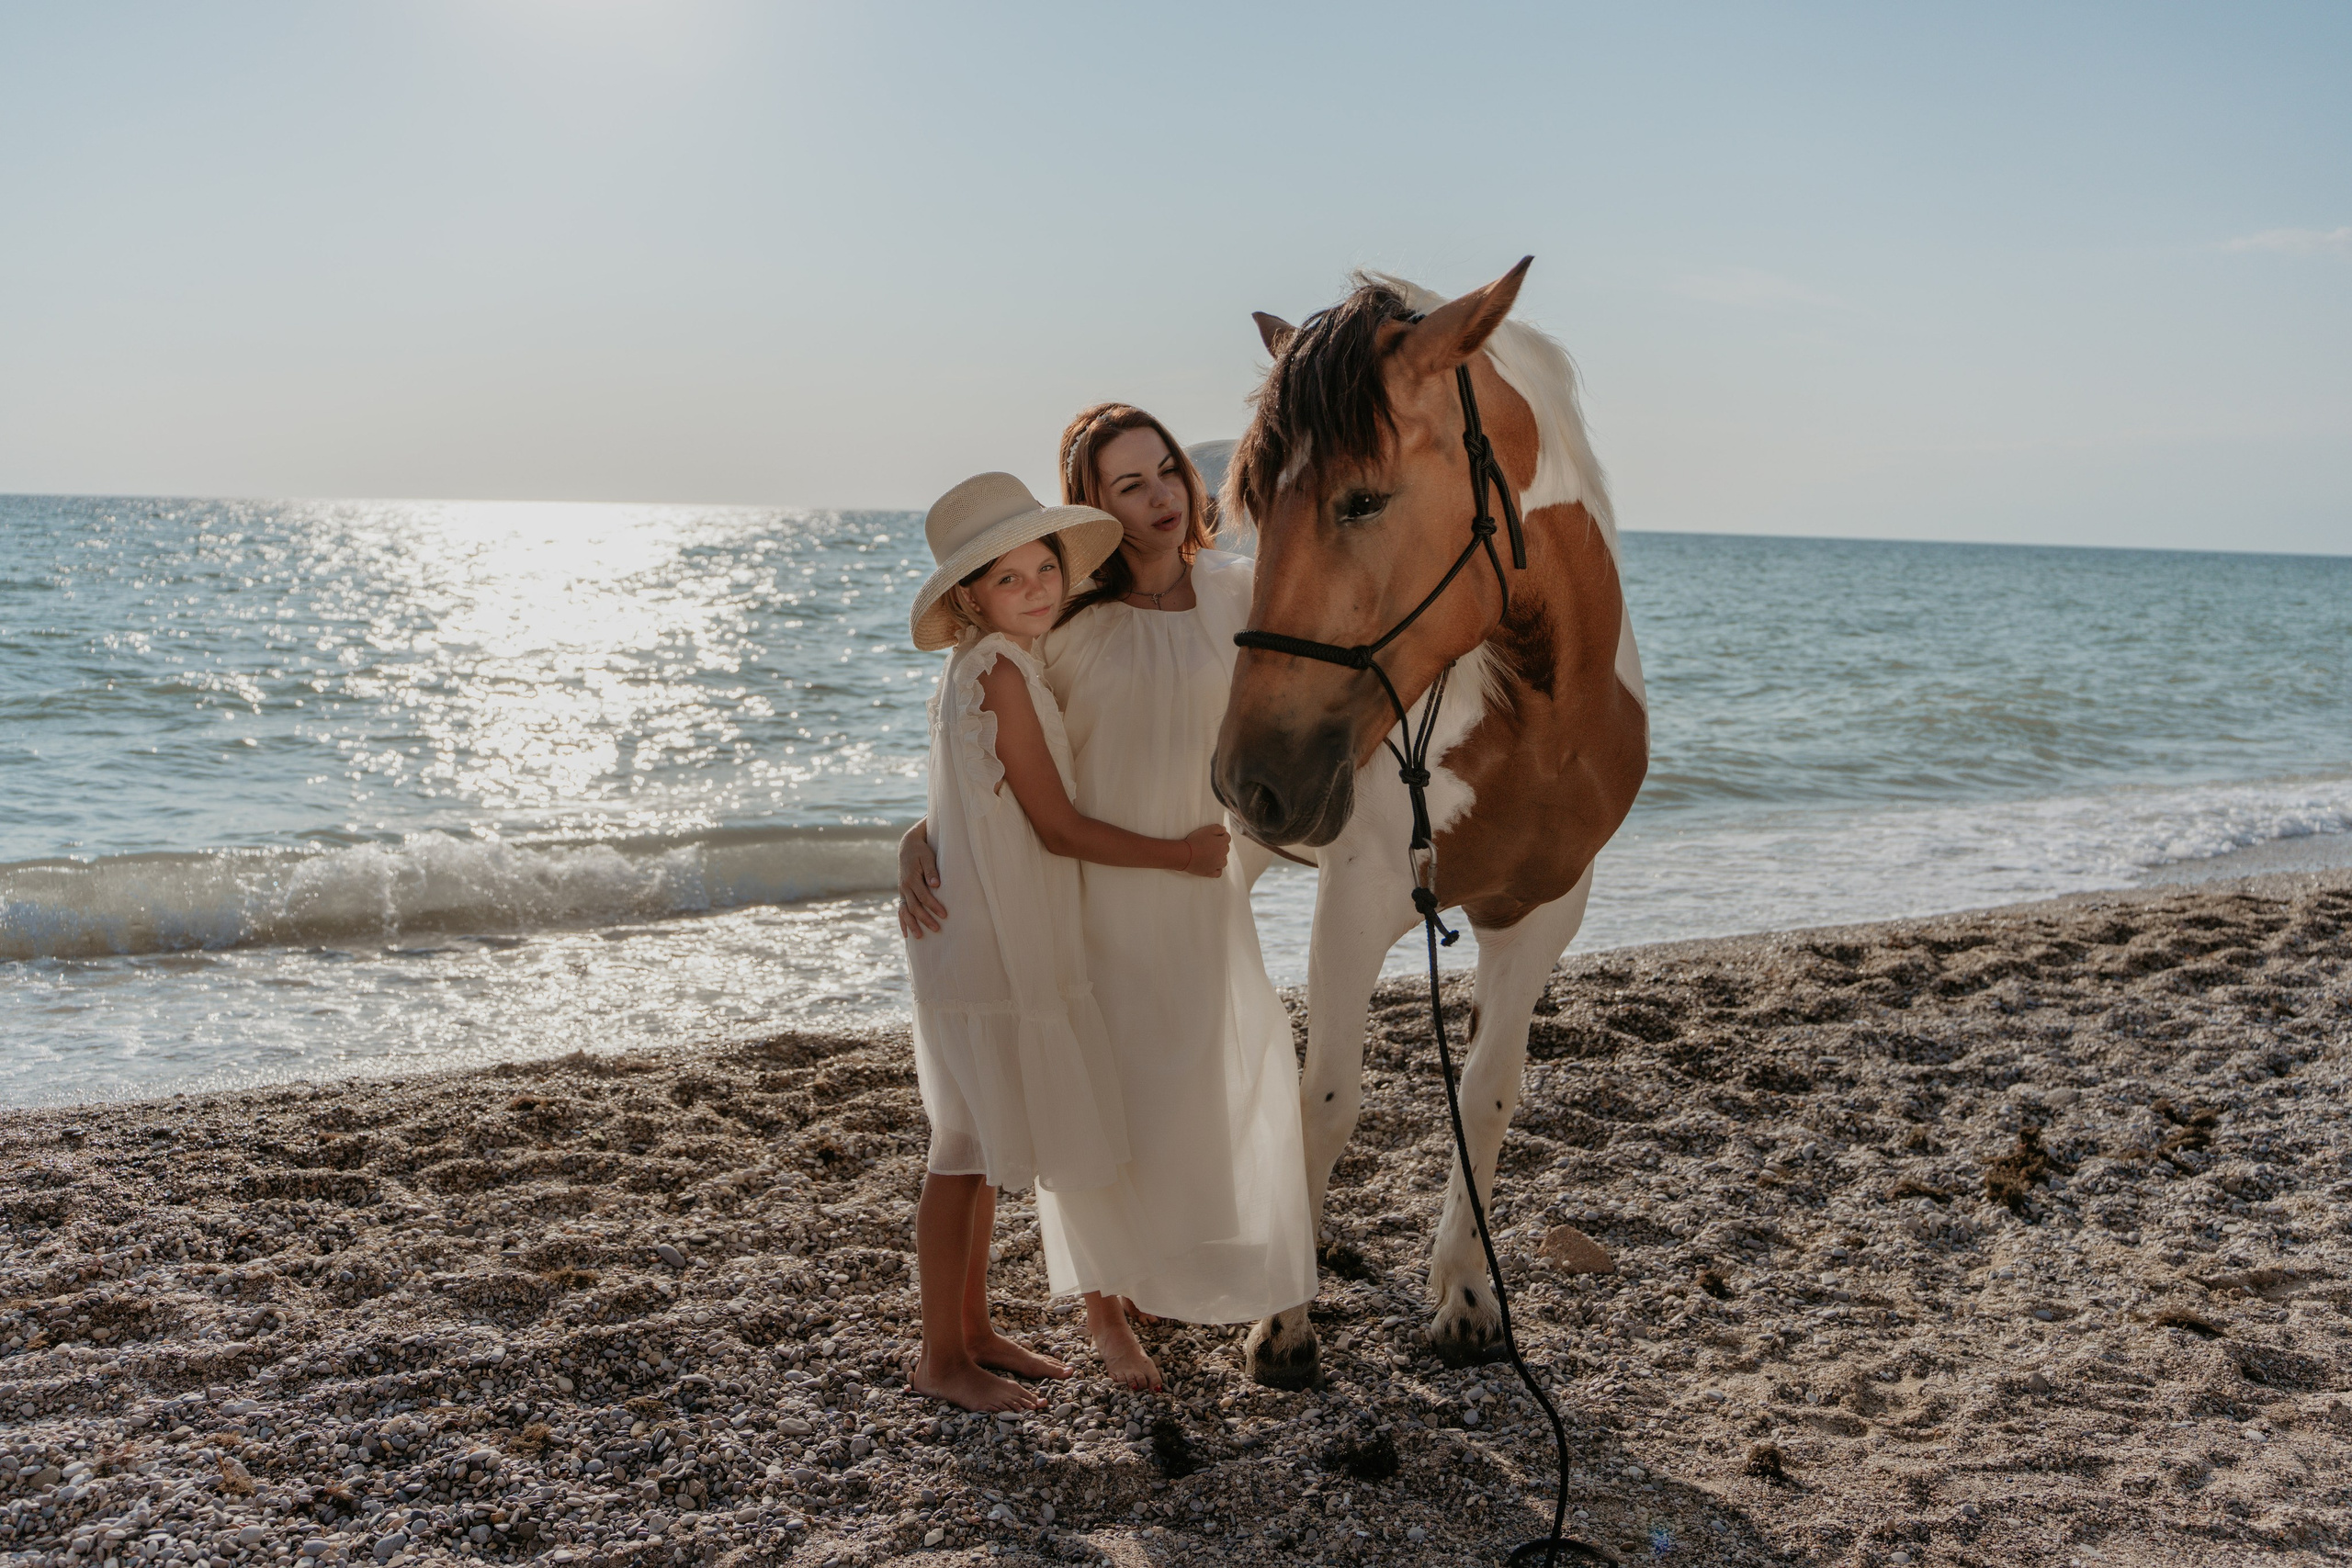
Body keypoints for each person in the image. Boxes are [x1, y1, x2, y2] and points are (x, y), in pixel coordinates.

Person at [901, 409, 1317, 1393]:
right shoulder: (1064, 617)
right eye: (1127, 485)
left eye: (1165, 469)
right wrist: (920, 836)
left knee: (1187, 1091)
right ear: (1093, 506)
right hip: (1085, 891)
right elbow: (982, 754)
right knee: (1101, 1100)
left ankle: (1146, 1282)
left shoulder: (1242, 594)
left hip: (1197, 885)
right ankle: (1100, 1304)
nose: (1160, 494)